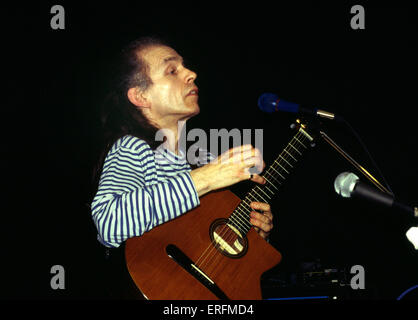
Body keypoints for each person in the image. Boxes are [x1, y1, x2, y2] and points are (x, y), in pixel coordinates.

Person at [90, 36, 274, 298]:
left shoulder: (204, 157)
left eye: (185, 67)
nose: (191, 74)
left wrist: (253, 237)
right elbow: (110, 223)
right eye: (172, 70)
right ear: (140, 96)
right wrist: (208, 177)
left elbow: (210, 251)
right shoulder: (133, 148)